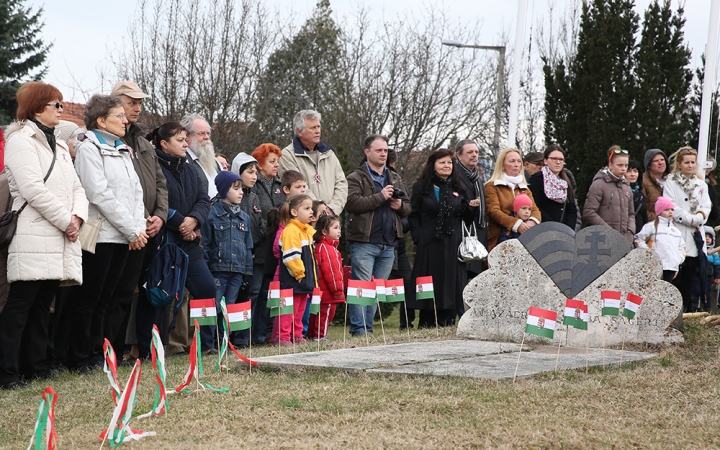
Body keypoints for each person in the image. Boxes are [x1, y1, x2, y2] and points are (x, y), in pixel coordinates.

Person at [0, 82, 88, 389]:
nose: (61, 111)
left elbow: (77, 187)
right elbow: (32, 189)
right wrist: (67, 221)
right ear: (38, 107)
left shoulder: (59, 144)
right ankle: (8, 372)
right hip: (34, 231)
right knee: (20, 305)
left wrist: (77, 216)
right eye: (56, 105)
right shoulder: (21, 141)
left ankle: (35, 366)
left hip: (61, 232)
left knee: (42, 305)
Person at [65, 94, 147, 373]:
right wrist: (130, 228)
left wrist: (137, 229)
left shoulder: (124, 148)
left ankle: (100, 354)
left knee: (109, 299)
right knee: (90, 297)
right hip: (101, 234)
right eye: (119, 116)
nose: (126, 121)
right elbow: (98, 192)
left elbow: (136, 192)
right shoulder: (89, 147)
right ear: (101, 120)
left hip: (125, 235)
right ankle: (80, 357)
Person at [136, 122, 215, 357]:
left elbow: (203, 199)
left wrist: (194, 221)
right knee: (156, 295)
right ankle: (148, 350)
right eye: (180, 140)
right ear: (163, 144)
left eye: (185, 139)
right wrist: (181, 222)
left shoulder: (190, 168)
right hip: (163, 243)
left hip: (189, 242)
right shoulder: (153, 165)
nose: (185, 143)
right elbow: (156, 200)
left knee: (207, 288)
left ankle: (206, 345)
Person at [106, 80, 169, 361]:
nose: (137, 107)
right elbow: (113, 189)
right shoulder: (106, 139)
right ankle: (109, 350)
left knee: (139, 293)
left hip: (149, 229)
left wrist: (161, 217)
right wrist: (141, 219)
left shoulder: (144, 141)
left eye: (139, 102)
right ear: (116, 102)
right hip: (122, 229)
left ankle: (134, 349)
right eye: (131, 102)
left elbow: (160, 183)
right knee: (115, 294)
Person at [344, 135, 411, 336]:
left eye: (385, 150)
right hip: (364, 241)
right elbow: (351, 203)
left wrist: (400, 206)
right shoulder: (355, 177)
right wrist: (380, 197)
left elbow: (408, 207)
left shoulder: (395, 177)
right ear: (367, 152)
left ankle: (369, 329)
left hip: (388, 243)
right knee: (362, 287)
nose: (383, 154)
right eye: (379, 150)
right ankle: (359, 330)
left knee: (375, 290)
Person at [408, 149, 477, 327]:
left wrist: (471, 208)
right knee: (429, 282)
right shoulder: (422, 187)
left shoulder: (458, 188)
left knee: (450, 283)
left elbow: (465, 218)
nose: (446, 166)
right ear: (433, 165)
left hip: (452, 243)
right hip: (429, 244)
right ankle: (426, 322)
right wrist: (419, 238)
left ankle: (446, 320)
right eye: (442, 162)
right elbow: (413, 215)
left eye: (449, 163)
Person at [201, 171, 254, 347]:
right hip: (218, 269)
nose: (240, 193)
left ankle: (224, 341)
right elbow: (206, 244)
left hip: (237, 271)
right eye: (235, 188)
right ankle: (209, 343)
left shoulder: (244, 217)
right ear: (224, 190)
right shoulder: (211, 214)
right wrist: (207, 267)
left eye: (241, 189)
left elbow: (248, 247)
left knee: (229, 306)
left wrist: (247, 271)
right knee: (214, 306)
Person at [243, 144, 285, 346]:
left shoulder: (279, 184)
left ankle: (263, 334)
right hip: (259, 248)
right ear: (259, 163)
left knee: (269, 293)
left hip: (275, 249)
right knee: (255, 291)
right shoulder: (253, 184)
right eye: (271, 161)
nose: (276, 165)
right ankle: (247, 335)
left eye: (277, 161)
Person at [663, 146, 711, 312]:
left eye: (692, 162)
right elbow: (670, 205)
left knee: (691, 273)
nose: (690, 166)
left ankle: (688, 309)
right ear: (679, 163)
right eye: (687, 162)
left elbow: (706, 205)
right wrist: (688, 217)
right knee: (676, 272)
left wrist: (699, 217)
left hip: (695, 234)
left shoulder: (701, 184)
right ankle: (673, 309)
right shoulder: (671, 181)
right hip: (678, 230)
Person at [279, 110, 347, 216]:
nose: (317, 131)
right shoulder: (287, 155)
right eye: (312, 128)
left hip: (331, 222)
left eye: (318, 127)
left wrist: (333, 209)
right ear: (299, 131)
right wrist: (319, 210)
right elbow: (298, 187)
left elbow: (341, 184)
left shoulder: (329, 154)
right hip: (304, 220)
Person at [228, 153, 264, 346]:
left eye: (256, 172)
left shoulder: (255, 196)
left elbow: (258, 224)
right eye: (249, 172)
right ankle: (233, 337)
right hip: (237, 256)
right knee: (237, 295)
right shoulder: (232, 197)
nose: (254, 176)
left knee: (253, 293)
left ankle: (244, 337)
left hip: (254, 254)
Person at [275, 194, 317, 344]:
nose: (311, 211)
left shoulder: (306, 231)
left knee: (299, 310)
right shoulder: (291, 230)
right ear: (294, 212)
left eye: (311, 208)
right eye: (306, 208)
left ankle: (297, 335)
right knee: (288, 310)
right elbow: (291, 256)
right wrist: (300, 274)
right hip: (293, 279)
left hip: (303, 280)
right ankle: (283, 336)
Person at [485, 148, 541, 251]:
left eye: (519, 161)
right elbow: (493, 211)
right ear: (502, 165)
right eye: (512, 161)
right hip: (499, 240)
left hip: (523, 241)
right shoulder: (492, 186)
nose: (516, 164)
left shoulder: (524, 188)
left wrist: (529, 224)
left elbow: (535, 210)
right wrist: (517, 224)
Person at [582, 146, 635, 244]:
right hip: (603, 241)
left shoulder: (627, 186)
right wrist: (608, 232)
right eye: (620, 165)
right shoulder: (599, 184)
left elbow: (631, 213)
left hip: (625, 242)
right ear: (610, 164)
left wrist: (630, 232)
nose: (624, 169)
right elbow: (589, 212)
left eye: (626, 165)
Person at [454, 139, 487, 279]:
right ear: (459, 155)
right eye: (470, 152)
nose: (474, 155)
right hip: (460, 236)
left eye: (476, 152)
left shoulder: (477, 180)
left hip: (477, 236)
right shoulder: (454, 177)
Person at [308, 214, 345, 341]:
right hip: (328, 291)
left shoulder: (324, 247)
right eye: (335, 227)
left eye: (339, 227)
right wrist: (337, 290)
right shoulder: (327, 249)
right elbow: (332, 272)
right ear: (324, 231)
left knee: (319, 313)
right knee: (326, 313)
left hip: (322, 290)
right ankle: (320, 335)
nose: (339, 230)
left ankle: (314, 334)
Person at [634, 196, 685, 283]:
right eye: (666, 210)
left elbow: (682, 248)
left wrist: (677, 260)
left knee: (666, 292)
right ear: (659, 212)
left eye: (672, 209)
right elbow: (638, 239)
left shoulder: (676, 231)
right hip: (654, 265)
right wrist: (648, 253)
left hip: (671, 267)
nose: (670, 212)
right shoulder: (651, 226)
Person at [528, 144, 577, 230]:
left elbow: (572, 210)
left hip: (563, 231)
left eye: (561, 159)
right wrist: (551, 226)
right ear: (545, 161)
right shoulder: (536, 180)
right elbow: (535, 205)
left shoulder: (566, 182)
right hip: (542, 229)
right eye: (554, 159)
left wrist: (568, 230)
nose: (558, 162)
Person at [180, 114, 221, 196]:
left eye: (208, 133)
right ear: (187, 136)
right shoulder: (182, 162)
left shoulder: (215, 162)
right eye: (201, 133)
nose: (206, 137)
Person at [642, 148, 670, 221]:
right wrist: (660, 219)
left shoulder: (672, 180)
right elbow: (643, 210)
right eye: (656, 161)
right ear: (648, 165)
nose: (660, 163)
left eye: (662, 160)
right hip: (652, 226)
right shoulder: (643, 181)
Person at [627, 159, 648, 235]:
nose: (632, 174)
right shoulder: (619, 192)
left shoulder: (640, 195)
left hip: (639, 235)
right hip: (624, 233)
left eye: (635, 171)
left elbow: (644, 217)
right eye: (629, 171)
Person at [702, 226, 720, 312]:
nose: (707, 239)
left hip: (709, 275)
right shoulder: (698, 251)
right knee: (697, 291)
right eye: (705, 236)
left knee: (707, 292)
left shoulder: (714, 252)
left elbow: (717, 266)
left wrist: (717, 277)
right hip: (698, 274)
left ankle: (707, 309)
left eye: (709, 237)